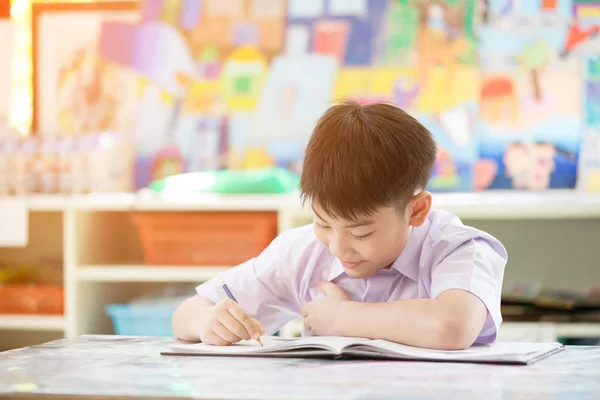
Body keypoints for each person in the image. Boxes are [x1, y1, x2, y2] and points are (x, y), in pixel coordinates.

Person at [172, 100, 507, 350]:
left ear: (416, 210)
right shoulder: (303, 252)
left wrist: (340, 317)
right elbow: (187, 313)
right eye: (322, 222)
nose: (338, 247)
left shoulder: (460, 249)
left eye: (362, 232)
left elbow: (452, 326)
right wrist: (207, 322)